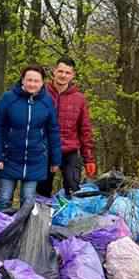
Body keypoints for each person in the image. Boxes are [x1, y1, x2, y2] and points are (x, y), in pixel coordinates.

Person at [0, 65, 61, 209]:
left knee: (28, 201)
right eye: (29, 80)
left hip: (36, 159)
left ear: (42, 83)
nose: (32, 84)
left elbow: (53, 130)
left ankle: (24, 231)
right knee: (4, 199)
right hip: (9, 157)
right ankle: (0, 230)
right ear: (22, 80)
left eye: (36, 81)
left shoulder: (47, 102)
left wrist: (55, 160)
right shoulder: (8, 98)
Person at [35, 56, 96, 197]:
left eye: (67, 73)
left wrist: (89, 159)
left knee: (73, 188)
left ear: (72, 75)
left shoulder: (79, 99)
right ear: (54, 71)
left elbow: (85, 129)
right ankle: (42, 218)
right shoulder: (40, 93)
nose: (63, 75)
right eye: (60, 71)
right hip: (45, 149)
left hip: (69, 149)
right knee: (42, 191)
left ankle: (71, 217)